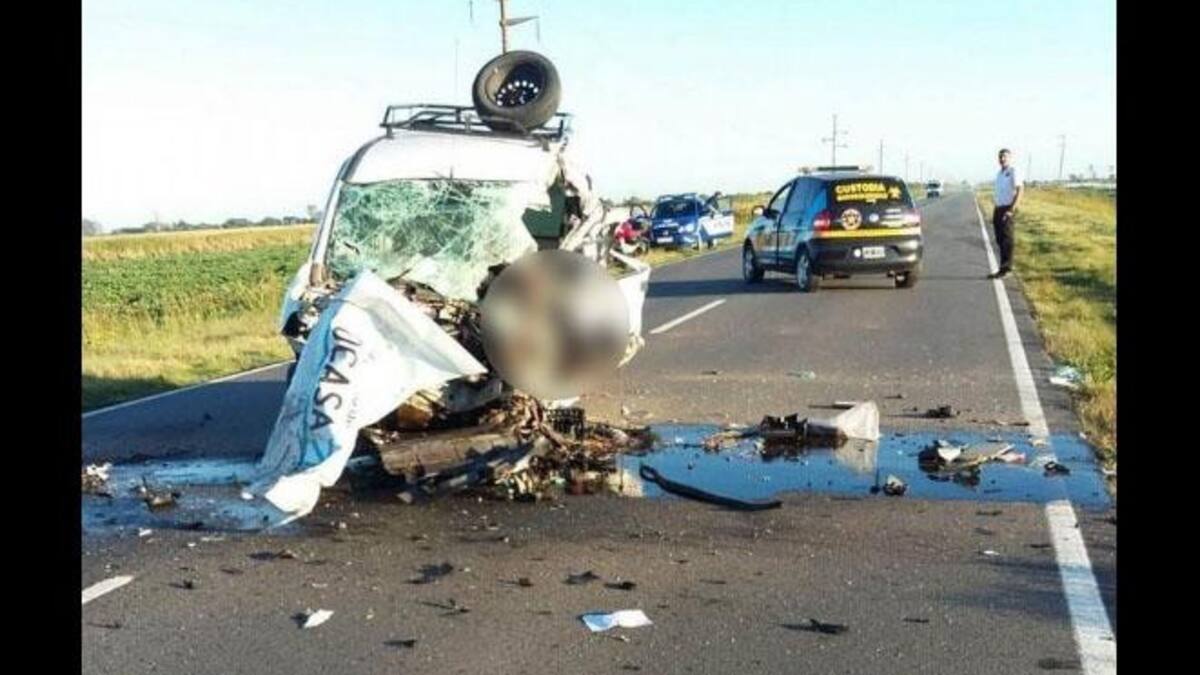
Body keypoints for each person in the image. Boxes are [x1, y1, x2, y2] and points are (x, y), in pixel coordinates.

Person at [989, 148, 1023, 279]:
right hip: (998, 208)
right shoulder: (999, 173)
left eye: (1005, 156)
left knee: (1007, 239)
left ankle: (1007, 269)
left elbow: (1020, 190)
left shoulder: (1013, 171)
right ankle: (1002, 268)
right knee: (999, 239)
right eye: (1000, 157)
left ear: (1010, 158)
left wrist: (1011, 209)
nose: (1002, 159)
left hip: (1007, 208)